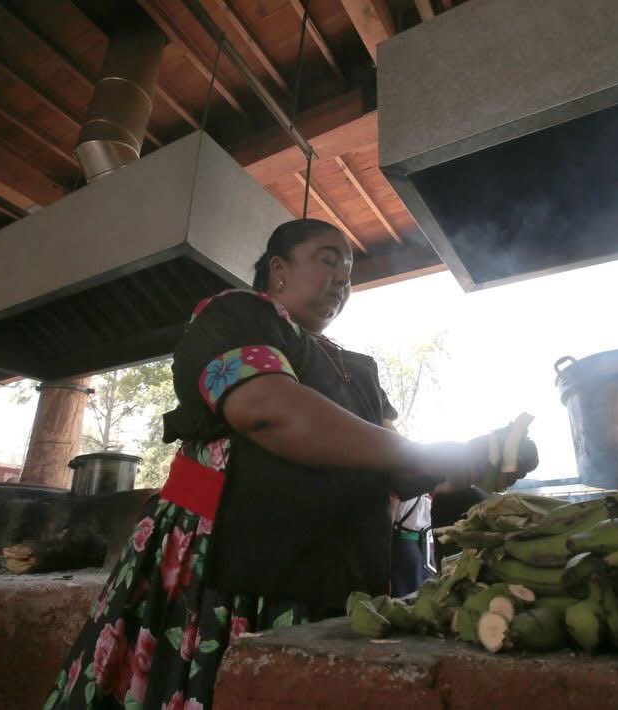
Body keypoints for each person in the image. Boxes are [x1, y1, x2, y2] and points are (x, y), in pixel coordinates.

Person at [43, 218, 537, 710]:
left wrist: (479, 457)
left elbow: (400, 467)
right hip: (229, 572)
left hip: (337, 578)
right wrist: (442, 453)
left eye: (349, 274)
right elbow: (268, 411)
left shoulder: (359, 367)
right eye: (329, 260)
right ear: (278, 269)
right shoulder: (237, 314)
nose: (343, 279)